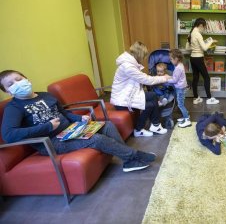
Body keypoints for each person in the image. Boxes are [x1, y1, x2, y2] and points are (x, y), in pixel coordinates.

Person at [0, 70, 155, 173]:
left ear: (26, 79)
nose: (17, 84)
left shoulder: (45, 95)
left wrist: (79, 118)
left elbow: (63, 113)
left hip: (71, 130)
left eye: (18, 79)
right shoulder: (13, 108)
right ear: (7, 91)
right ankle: (133, 155)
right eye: (11, 84)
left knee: (107, 125)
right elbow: (8, 135)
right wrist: (46, 127)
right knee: (96, 139)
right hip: (53, 142)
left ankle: (128, 160)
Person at [111, 41, 171, 137]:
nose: (144, 58)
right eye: (144, 55)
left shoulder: (130, 63)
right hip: (122, 100)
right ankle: (139, 130)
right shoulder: (128, 66)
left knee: (153, 95)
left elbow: (141, 77)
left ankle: (155, 125)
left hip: (128, 95)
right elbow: (146, 79)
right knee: (150, 105)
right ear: (139, 54)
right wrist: (164, 78)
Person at [186, 18, 219, 105]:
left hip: (192, 58)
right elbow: (204, 48)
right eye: (204, 27)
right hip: (198, 58)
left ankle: (196, 98)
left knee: (195, 77)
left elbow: (187, 48)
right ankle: (209, 98)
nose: (204, 30)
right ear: (200, 25)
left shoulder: (191, 33)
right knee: (206, 78)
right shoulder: (198, 34)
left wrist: (201, 45)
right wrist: (211, 41)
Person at [168, 49, 191, 128]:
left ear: (176, 59)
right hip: (182, 87)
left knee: (180, 105)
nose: (170, 61)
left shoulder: (178, 68)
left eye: (171, 59)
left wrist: (166, 79)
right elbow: (176, 77)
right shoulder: (180, 65)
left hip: (180, 89)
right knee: (181, 103)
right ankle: (185, 116)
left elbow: (174, 80)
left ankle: (187, 120)